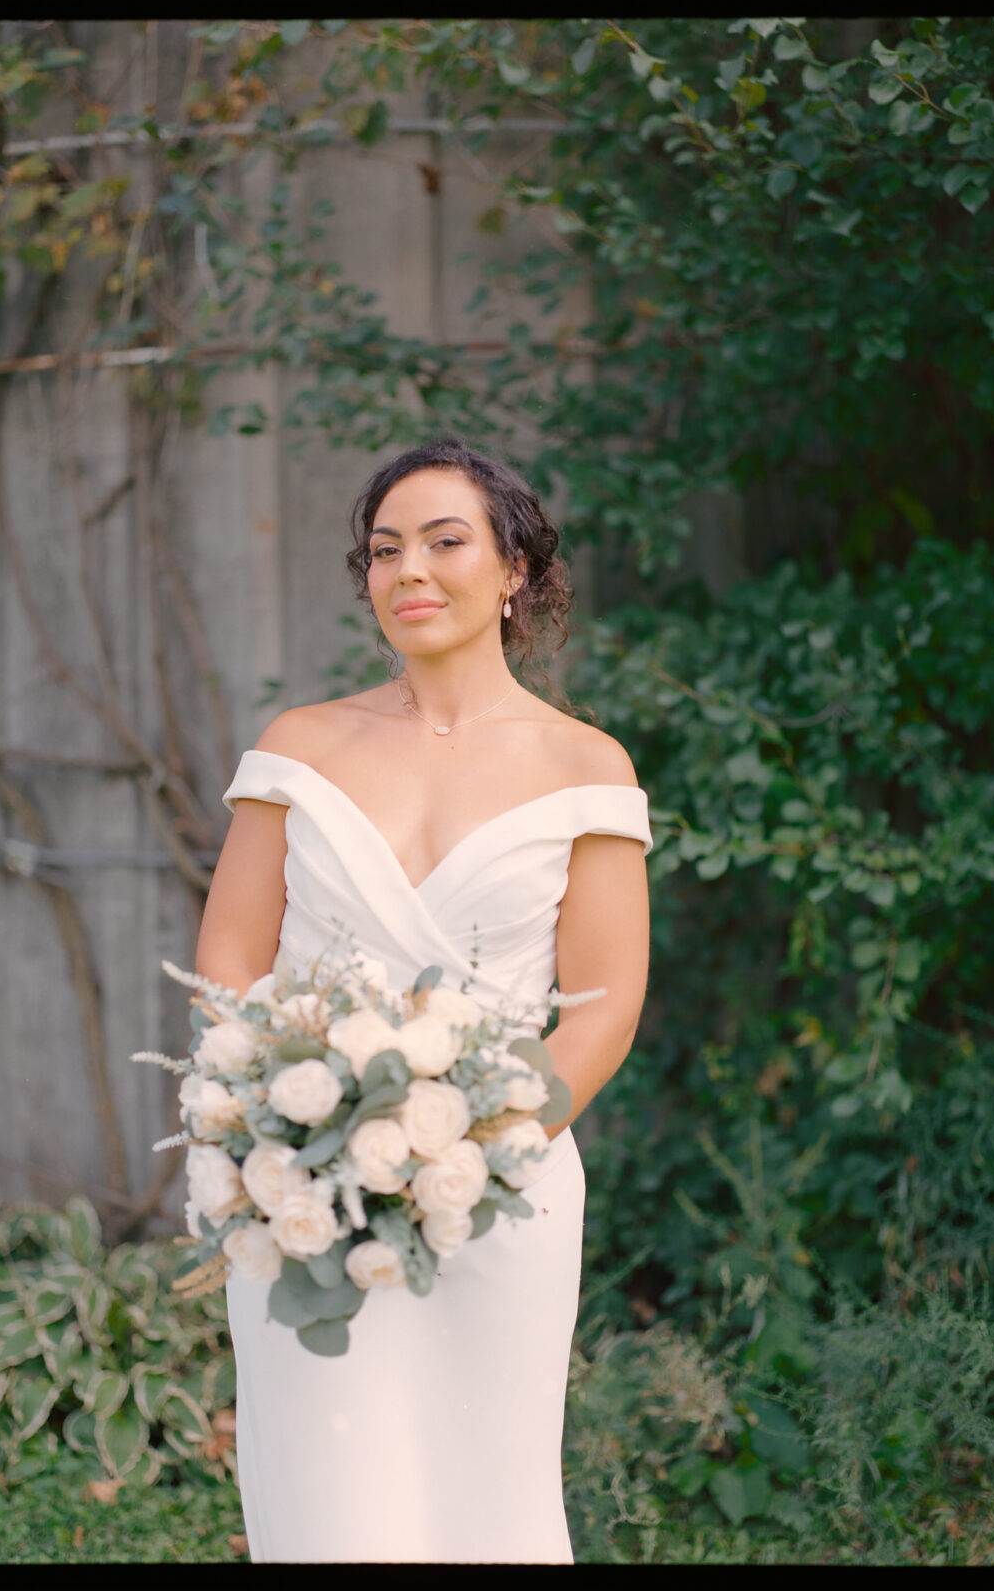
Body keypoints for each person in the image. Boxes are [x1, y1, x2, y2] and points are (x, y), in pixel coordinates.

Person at [193, 436, 651, 1563]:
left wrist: (471, 1146)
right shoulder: (298, 746)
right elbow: (231, 959)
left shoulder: (585, 766)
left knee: (484, 1496)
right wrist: (290, 1128)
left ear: (513, 573)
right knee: (325, 1486)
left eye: (446, 542)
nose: (410, 570)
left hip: (497, 1188)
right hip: (302, 1183)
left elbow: (602, 1005)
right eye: (385, 549)